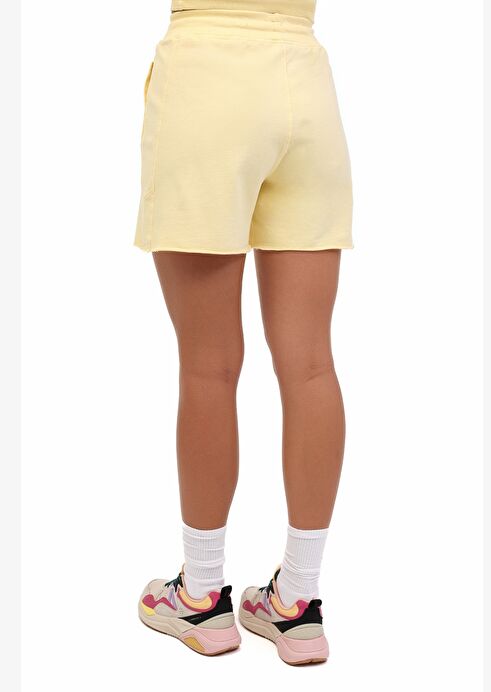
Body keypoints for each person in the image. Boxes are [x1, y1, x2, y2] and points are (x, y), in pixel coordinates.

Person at [135, 0, 353, 666]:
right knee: (311, 364)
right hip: (303, 80)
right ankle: (297, 603)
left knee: (209, 365)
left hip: (208, 72)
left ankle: (200, 595)